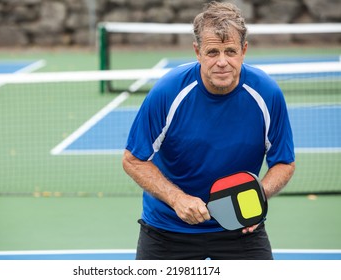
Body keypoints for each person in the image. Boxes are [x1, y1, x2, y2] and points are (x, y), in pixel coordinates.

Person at [122, 1, 295, 260]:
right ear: (197, 52)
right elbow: (133, 159)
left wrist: (255, 197)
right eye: (213, 52)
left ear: (244, 50)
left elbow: (284, 163)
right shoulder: (168, 92)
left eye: (230, 51)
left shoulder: (266, 94)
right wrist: (177, 199)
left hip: (241, 229)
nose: (222, 62)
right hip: (168, 230)